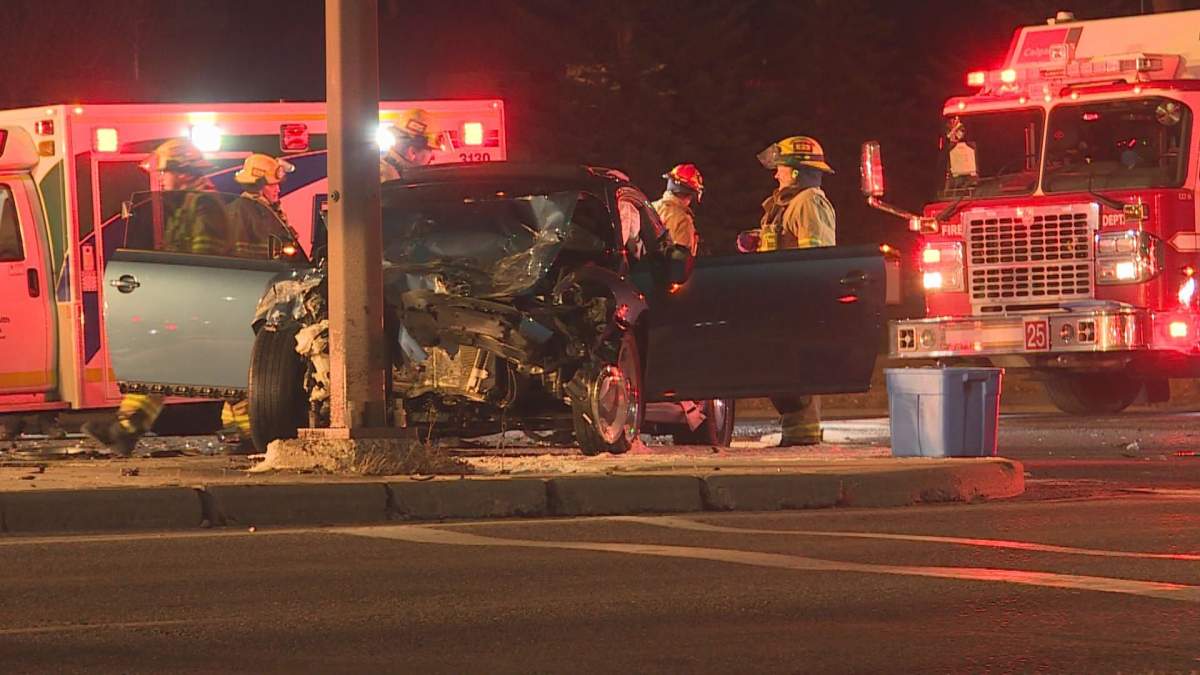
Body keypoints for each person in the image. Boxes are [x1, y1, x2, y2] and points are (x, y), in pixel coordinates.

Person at [83, 140, 250, 456]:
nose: (161, 179)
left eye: (165, 172)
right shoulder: (191, 202)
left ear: (184, 173)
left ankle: (127, 429)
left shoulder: (204, 204)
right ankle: (126, 429)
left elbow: (204, 258)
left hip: (205, 304)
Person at [756, 135, 837, 446]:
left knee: (799, 372)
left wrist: (808, 302)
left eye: (779, 168)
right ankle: (796, 432)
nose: (776, 174)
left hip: (797, 301)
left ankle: (802, 435)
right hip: (782, 299)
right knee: (785, 369)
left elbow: (815, 258)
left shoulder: (808, 202)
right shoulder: (790, 204)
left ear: (793, 171)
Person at [227, 153, 295, 258]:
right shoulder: (239, 212)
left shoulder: (269, 210)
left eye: (278, 184)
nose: (278, 189)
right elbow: (239, 257)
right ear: (256, 186)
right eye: (272, 185)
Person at [651, 163, 703, 256]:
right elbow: (680, 262)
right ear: (690, 194)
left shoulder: (651, 207)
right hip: (665, 269)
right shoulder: (683, 220)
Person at [380, 108, 439, 182]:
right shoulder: (391, 181)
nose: (433, 157)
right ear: (412, 152)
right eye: (430, 150)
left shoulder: (381, 171)